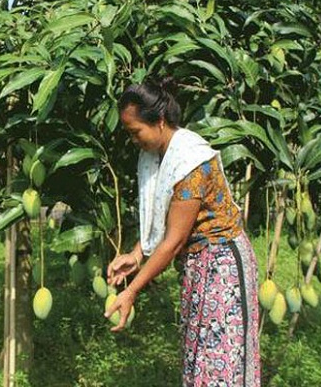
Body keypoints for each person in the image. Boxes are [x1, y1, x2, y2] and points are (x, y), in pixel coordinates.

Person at [104, 79, 261, 386]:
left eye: (136, 131)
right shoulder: (158, 157)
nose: (134, 140)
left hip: (223, 268)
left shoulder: (190, 161)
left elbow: (173, 242)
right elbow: (162, 218)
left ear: (159, 121)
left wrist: (132, 290)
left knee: (221, 365)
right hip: (201, 266)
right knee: (201, 358)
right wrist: (136, 255)